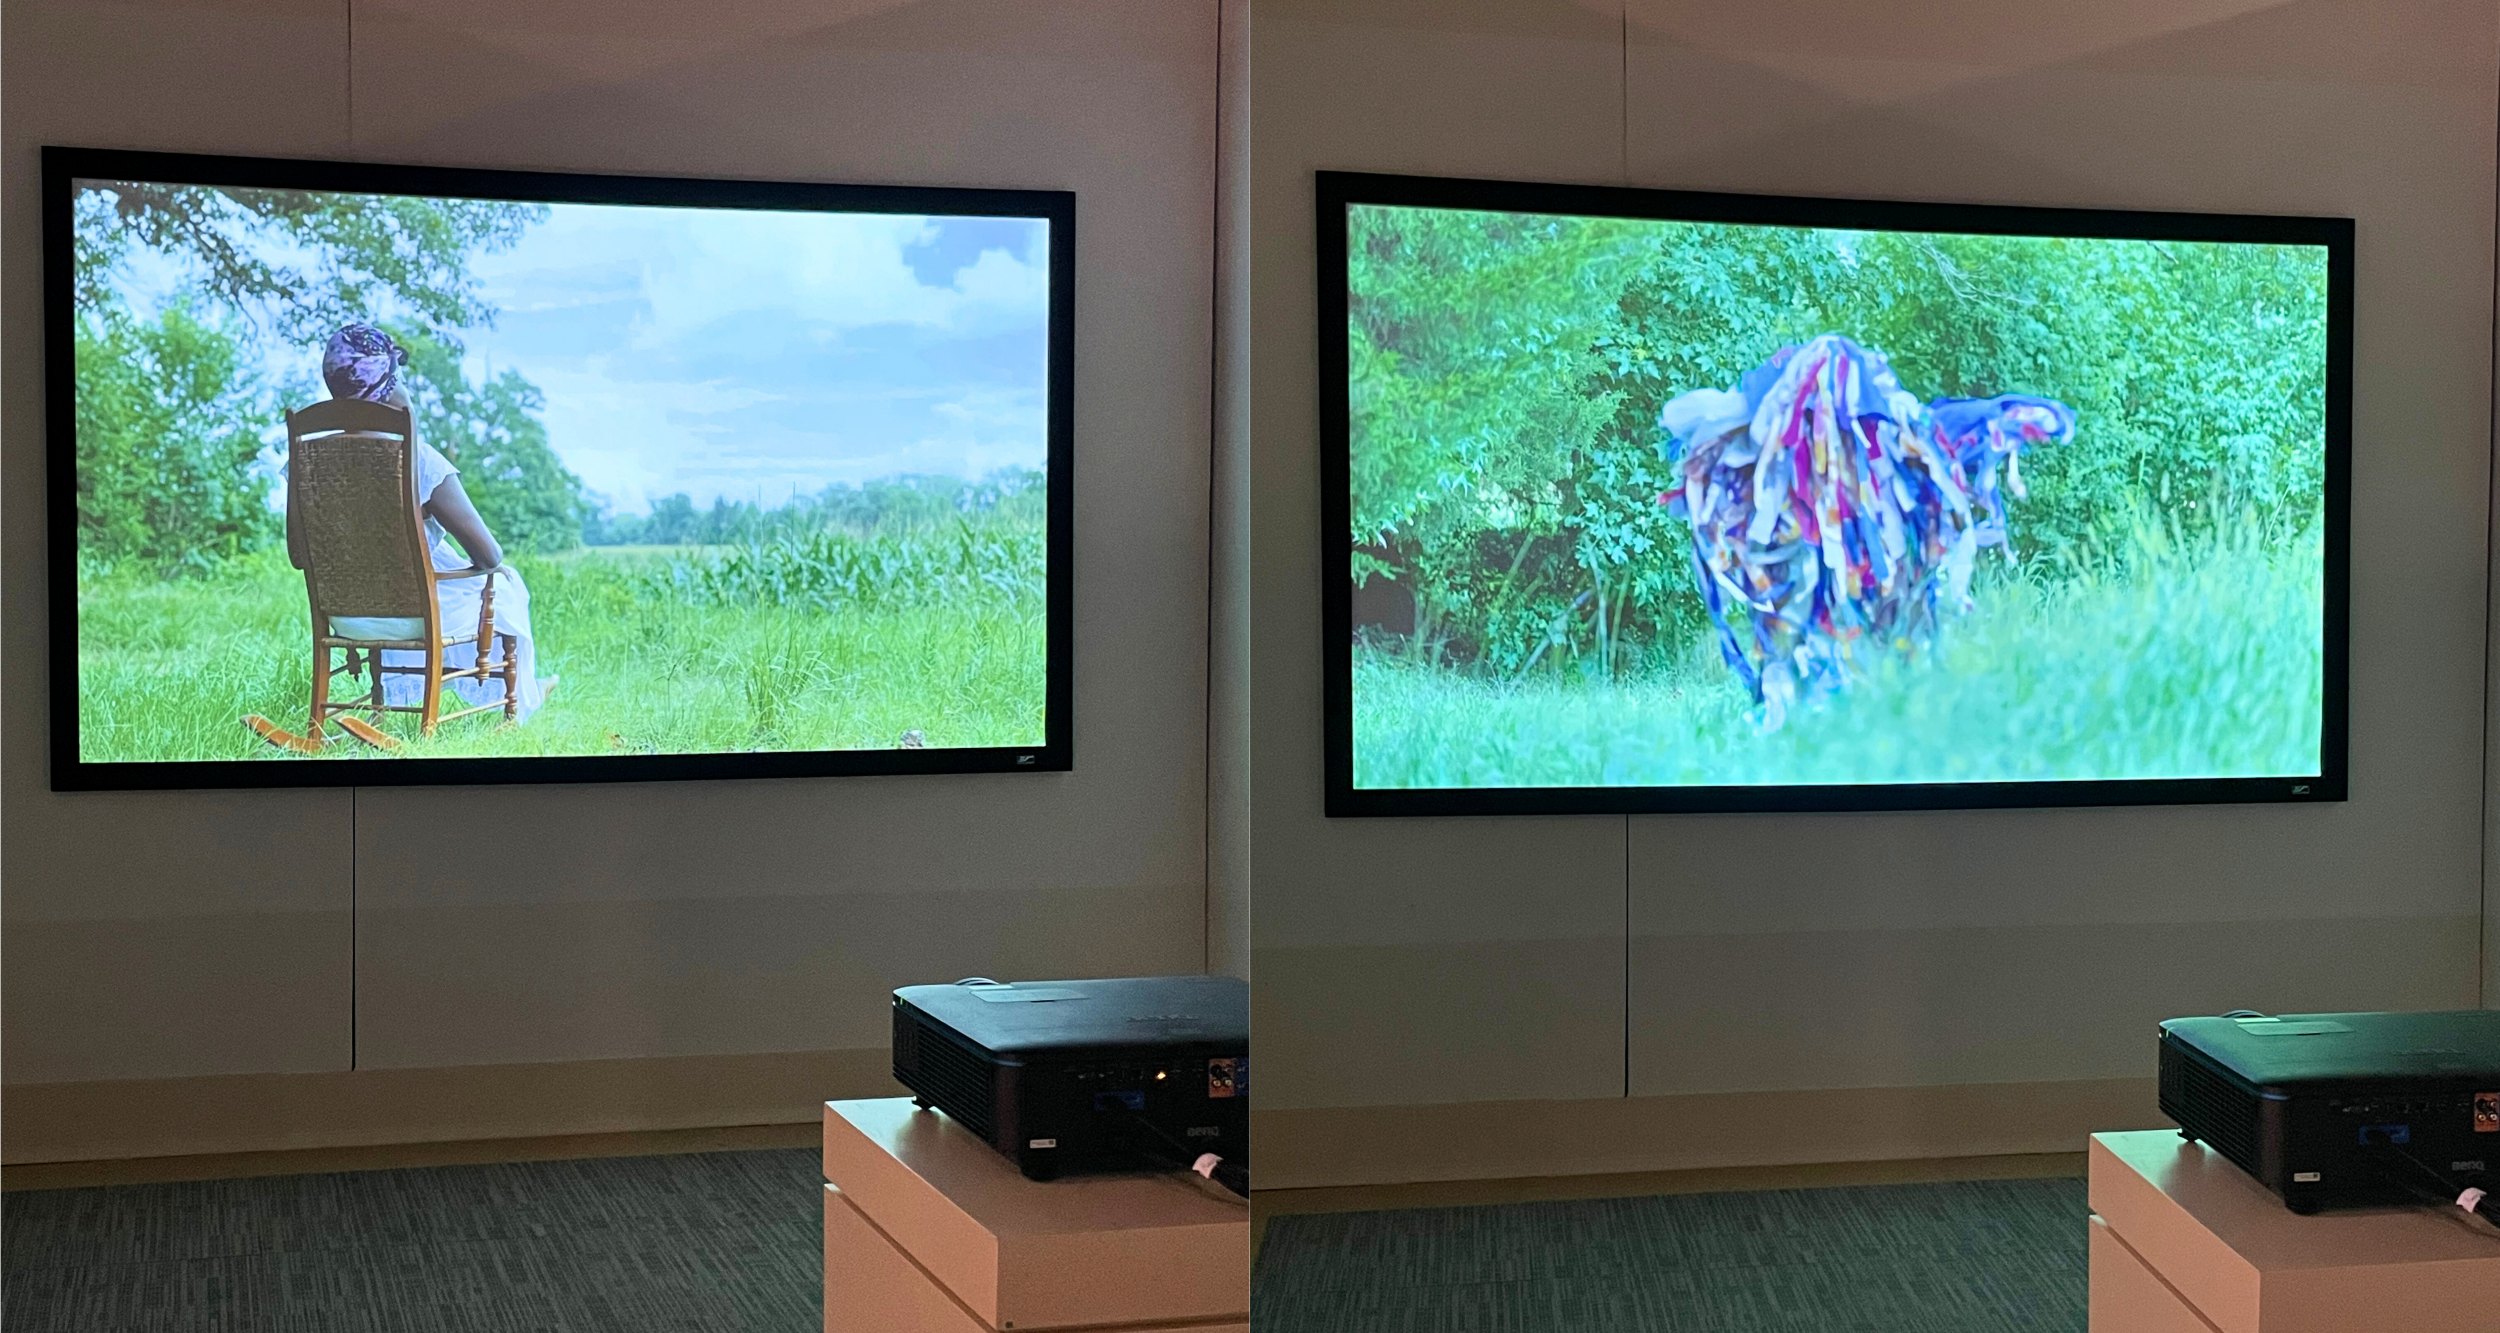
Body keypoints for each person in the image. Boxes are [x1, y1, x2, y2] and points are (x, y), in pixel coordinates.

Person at [297, 323, 553, 725]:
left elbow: (299, 555)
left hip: (345, 618)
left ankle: (524, 689)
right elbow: (487, 555)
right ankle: (519, 700)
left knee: (489, 584)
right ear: (391, 385)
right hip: (417, 613)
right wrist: (410, 415)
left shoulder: (307, 462)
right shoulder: (419, 460)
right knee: (506, 582)